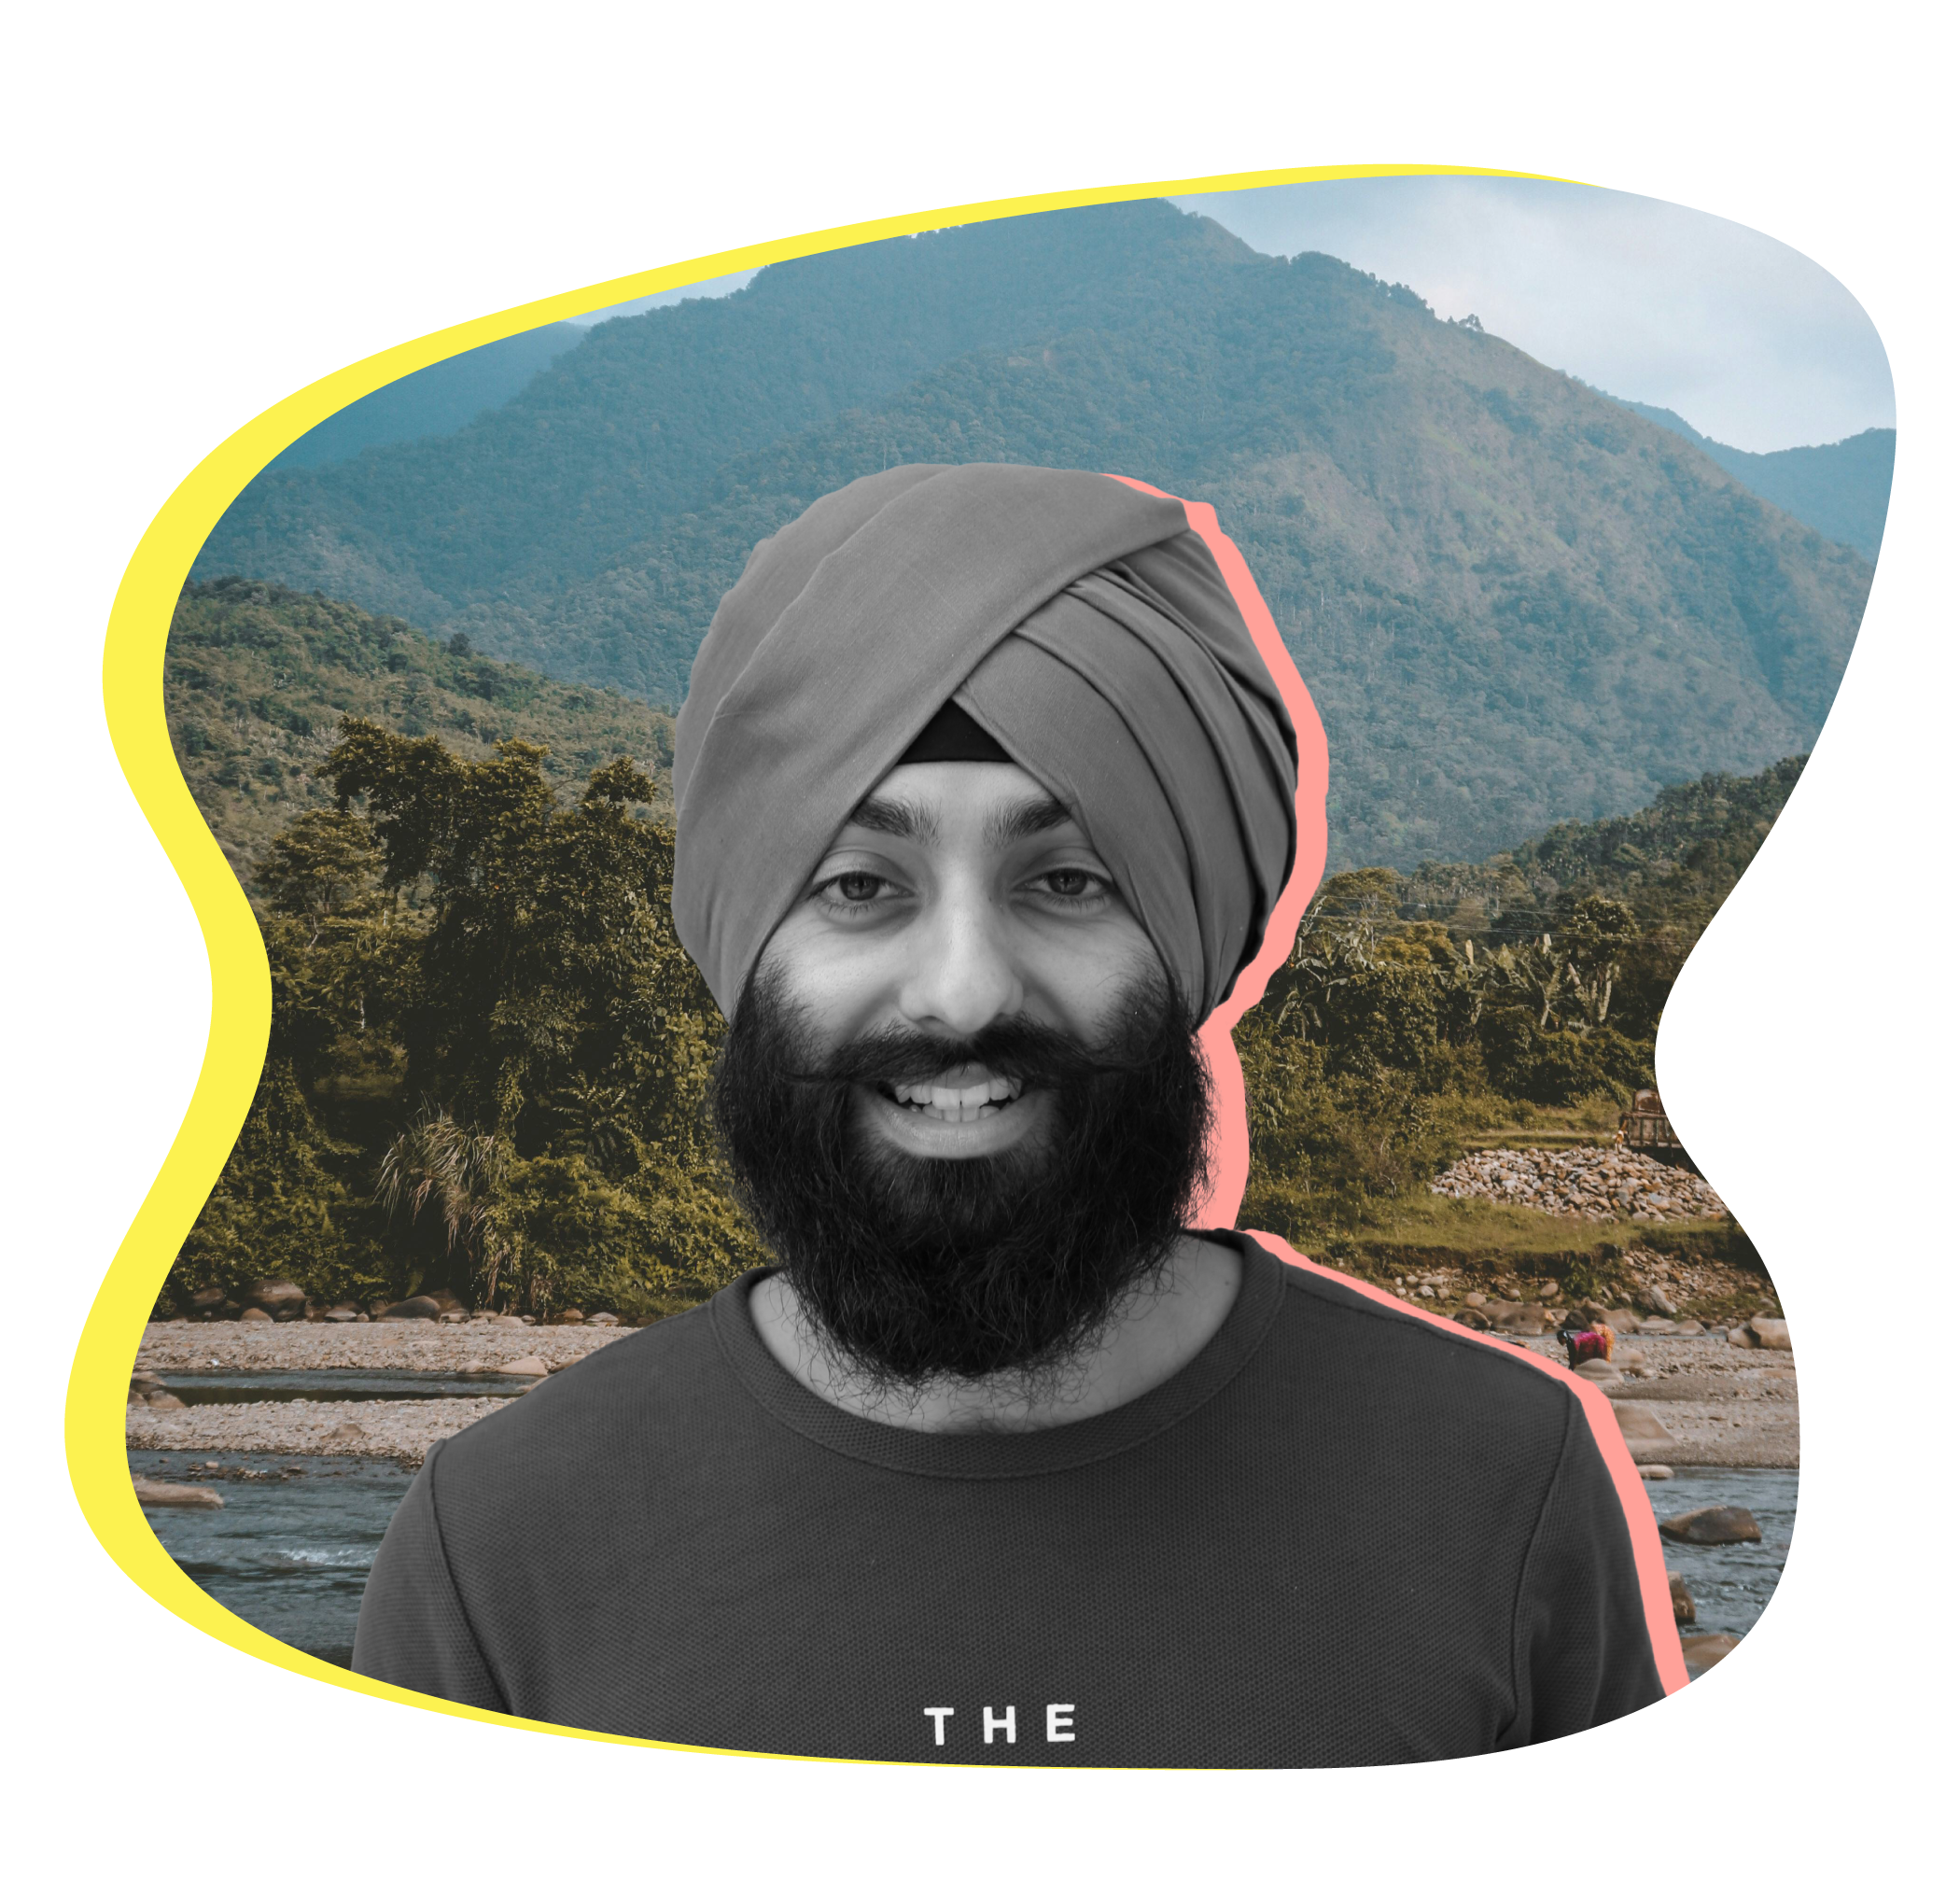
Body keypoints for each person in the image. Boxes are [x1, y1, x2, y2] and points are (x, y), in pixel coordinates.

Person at [353, 463, 1672, 1771]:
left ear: (1186, 939)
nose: (964, 990)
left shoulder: (1507, 1486)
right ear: (746, 944)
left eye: (1068, 879)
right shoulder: (498, 1549)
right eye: (860, 885)